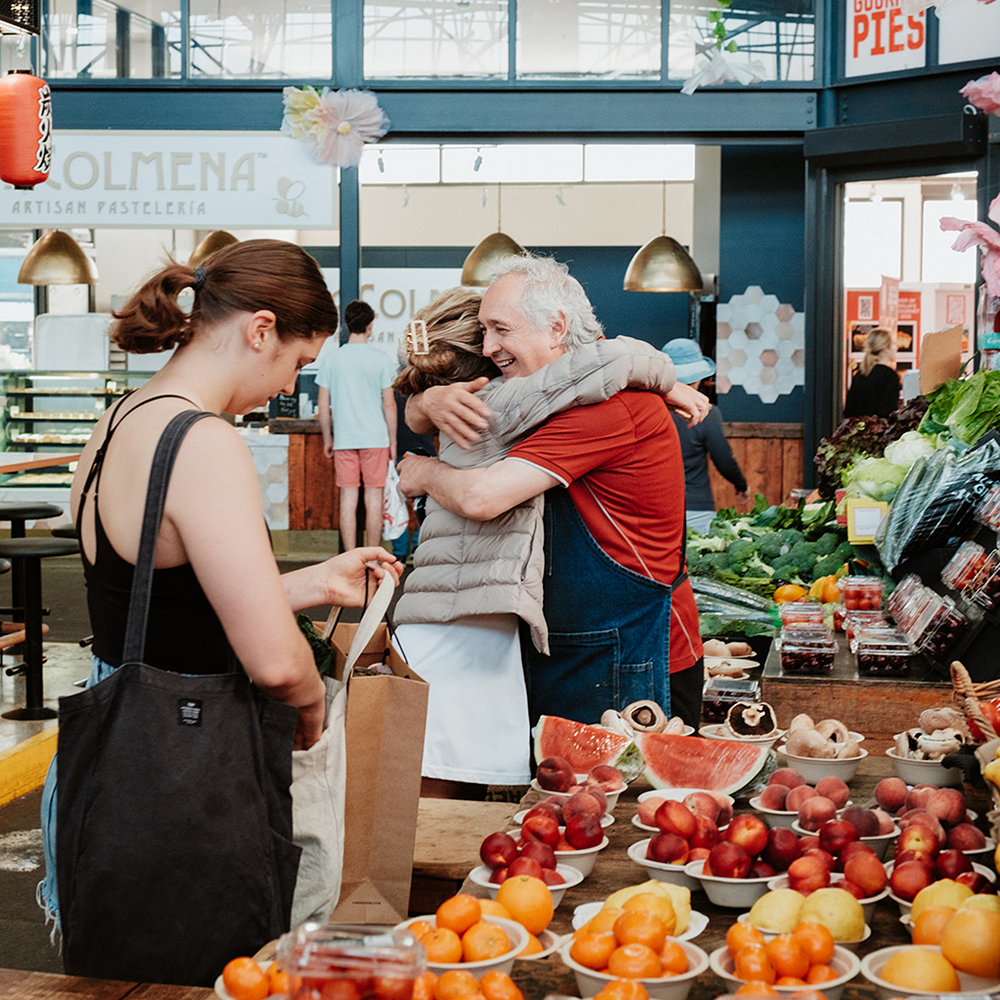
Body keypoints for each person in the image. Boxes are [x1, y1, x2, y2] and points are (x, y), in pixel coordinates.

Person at [37, 239, 402, 973]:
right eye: (297, 363)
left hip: (114, 766)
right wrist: (309, 705)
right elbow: (273, 663)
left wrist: (316, 583)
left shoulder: (119, 421)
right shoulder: (201, 441)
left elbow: (154, 604)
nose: (286, 385)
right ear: (260, 328)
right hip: (189, 777)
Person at [398, 256, 709, 731]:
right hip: (576, 642)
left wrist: (422, 471)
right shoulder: (549, 390)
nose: (489, 347)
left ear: (557, 327)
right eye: (484, 331)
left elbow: (483, 496)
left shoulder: (607, 407)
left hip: (630, 656)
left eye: (501, 329)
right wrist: (425, 402)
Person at [316, 299, 397, 549]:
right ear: (370, 325)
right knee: (374, 499)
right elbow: (389, 404)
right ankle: (373, 555)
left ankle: (350, 558)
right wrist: (393, 441)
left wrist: (328, 439)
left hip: (345, 440)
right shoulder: (382, 360)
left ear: (347, 325)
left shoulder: (332, 360)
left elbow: (322, 406)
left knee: (348, 499)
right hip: (376, 439)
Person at [661, 337, 750, 535]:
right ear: (699, 377)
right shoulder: (707, 413)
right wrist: (742, 485)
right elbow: (724, 460)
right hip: (696, 509)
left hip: (656, 509)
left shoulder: (650, 411)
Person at [844, 327, 901, 418]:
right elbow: (888, 412)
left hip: (858, 429)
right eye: (894, 344)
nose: (897, 347)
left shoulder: (860, 374)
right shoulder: (890, 376)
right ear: (885, 348)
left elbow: (849, 411)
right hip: (878, 430)